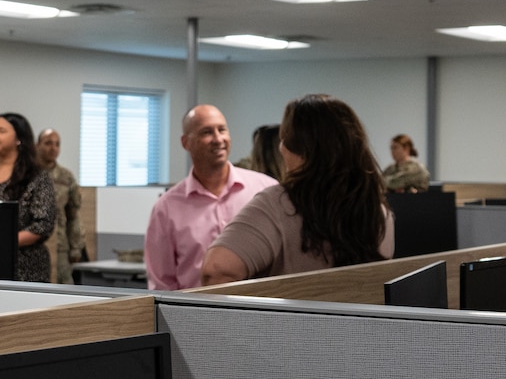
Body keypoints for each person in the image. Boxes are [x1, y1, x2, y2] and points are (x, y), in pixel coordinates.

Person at [201, 95, 395, 285]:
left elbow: (216, 270)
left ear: (300, 150)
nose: (281, 148)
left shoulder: (279, 204)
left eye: (285, 140)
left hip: (289, 317)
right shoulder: (379, 213)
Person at [144, 105, 276, 291]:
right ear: (186, 143)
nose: (218, 139)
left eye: (222, 130)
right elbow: (162, 284)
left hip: (260, 310)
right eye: (207, 132)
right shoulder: (166, 209)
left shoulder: (266, 190)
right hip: (195, 314)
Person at [0, 112, 58, 283]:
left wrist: (1, 243)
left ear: (18, 139)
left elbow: (43, 224)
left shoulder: (36, 176)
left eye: (2, 131)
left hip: (25, 267)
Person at [36, 127, 86, 284]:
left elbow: (73, 215)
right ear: (37, 145)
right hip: (34, 244)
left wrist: (76, 247)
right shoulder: (28, 174)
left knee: (65, 286)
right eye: (48, 143)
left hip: (60, 245)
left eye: (57, 144)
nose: (53, 148)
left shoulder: (66, 177)